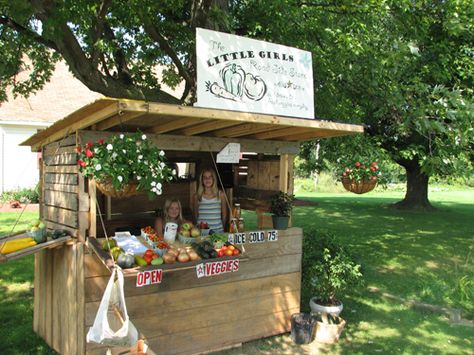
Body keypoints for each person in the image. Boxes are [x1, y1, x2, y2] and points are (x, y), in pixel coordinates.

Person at [193, 168, 227, 233]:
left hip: (217, 231)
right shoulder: (197, 196)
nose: (207, 179)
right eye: (204, 177)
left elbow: (224, 215)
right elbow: (196, 215)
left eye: (210, 177)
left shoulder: (221, 194)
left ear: (213, 179)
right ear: (202, 180)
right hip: (202, 232)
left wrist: (221, 228)